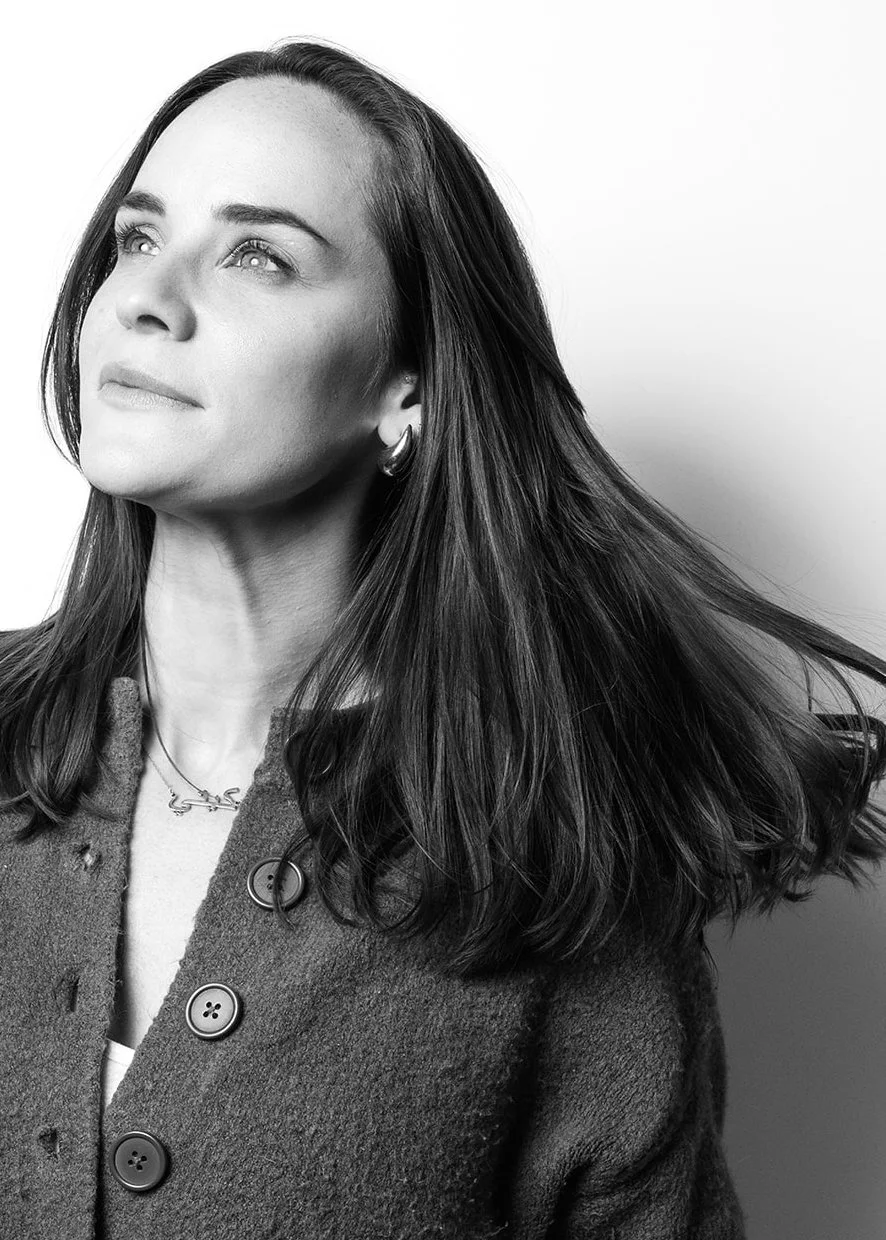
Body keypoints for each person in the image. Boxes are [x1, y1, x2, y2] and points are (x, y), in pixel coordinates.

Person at [1, 37, 884, 1240]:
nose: (149, 296)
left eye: (258, 253)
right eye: (138, 238)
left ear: (403, 391)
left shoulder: (548, 860)